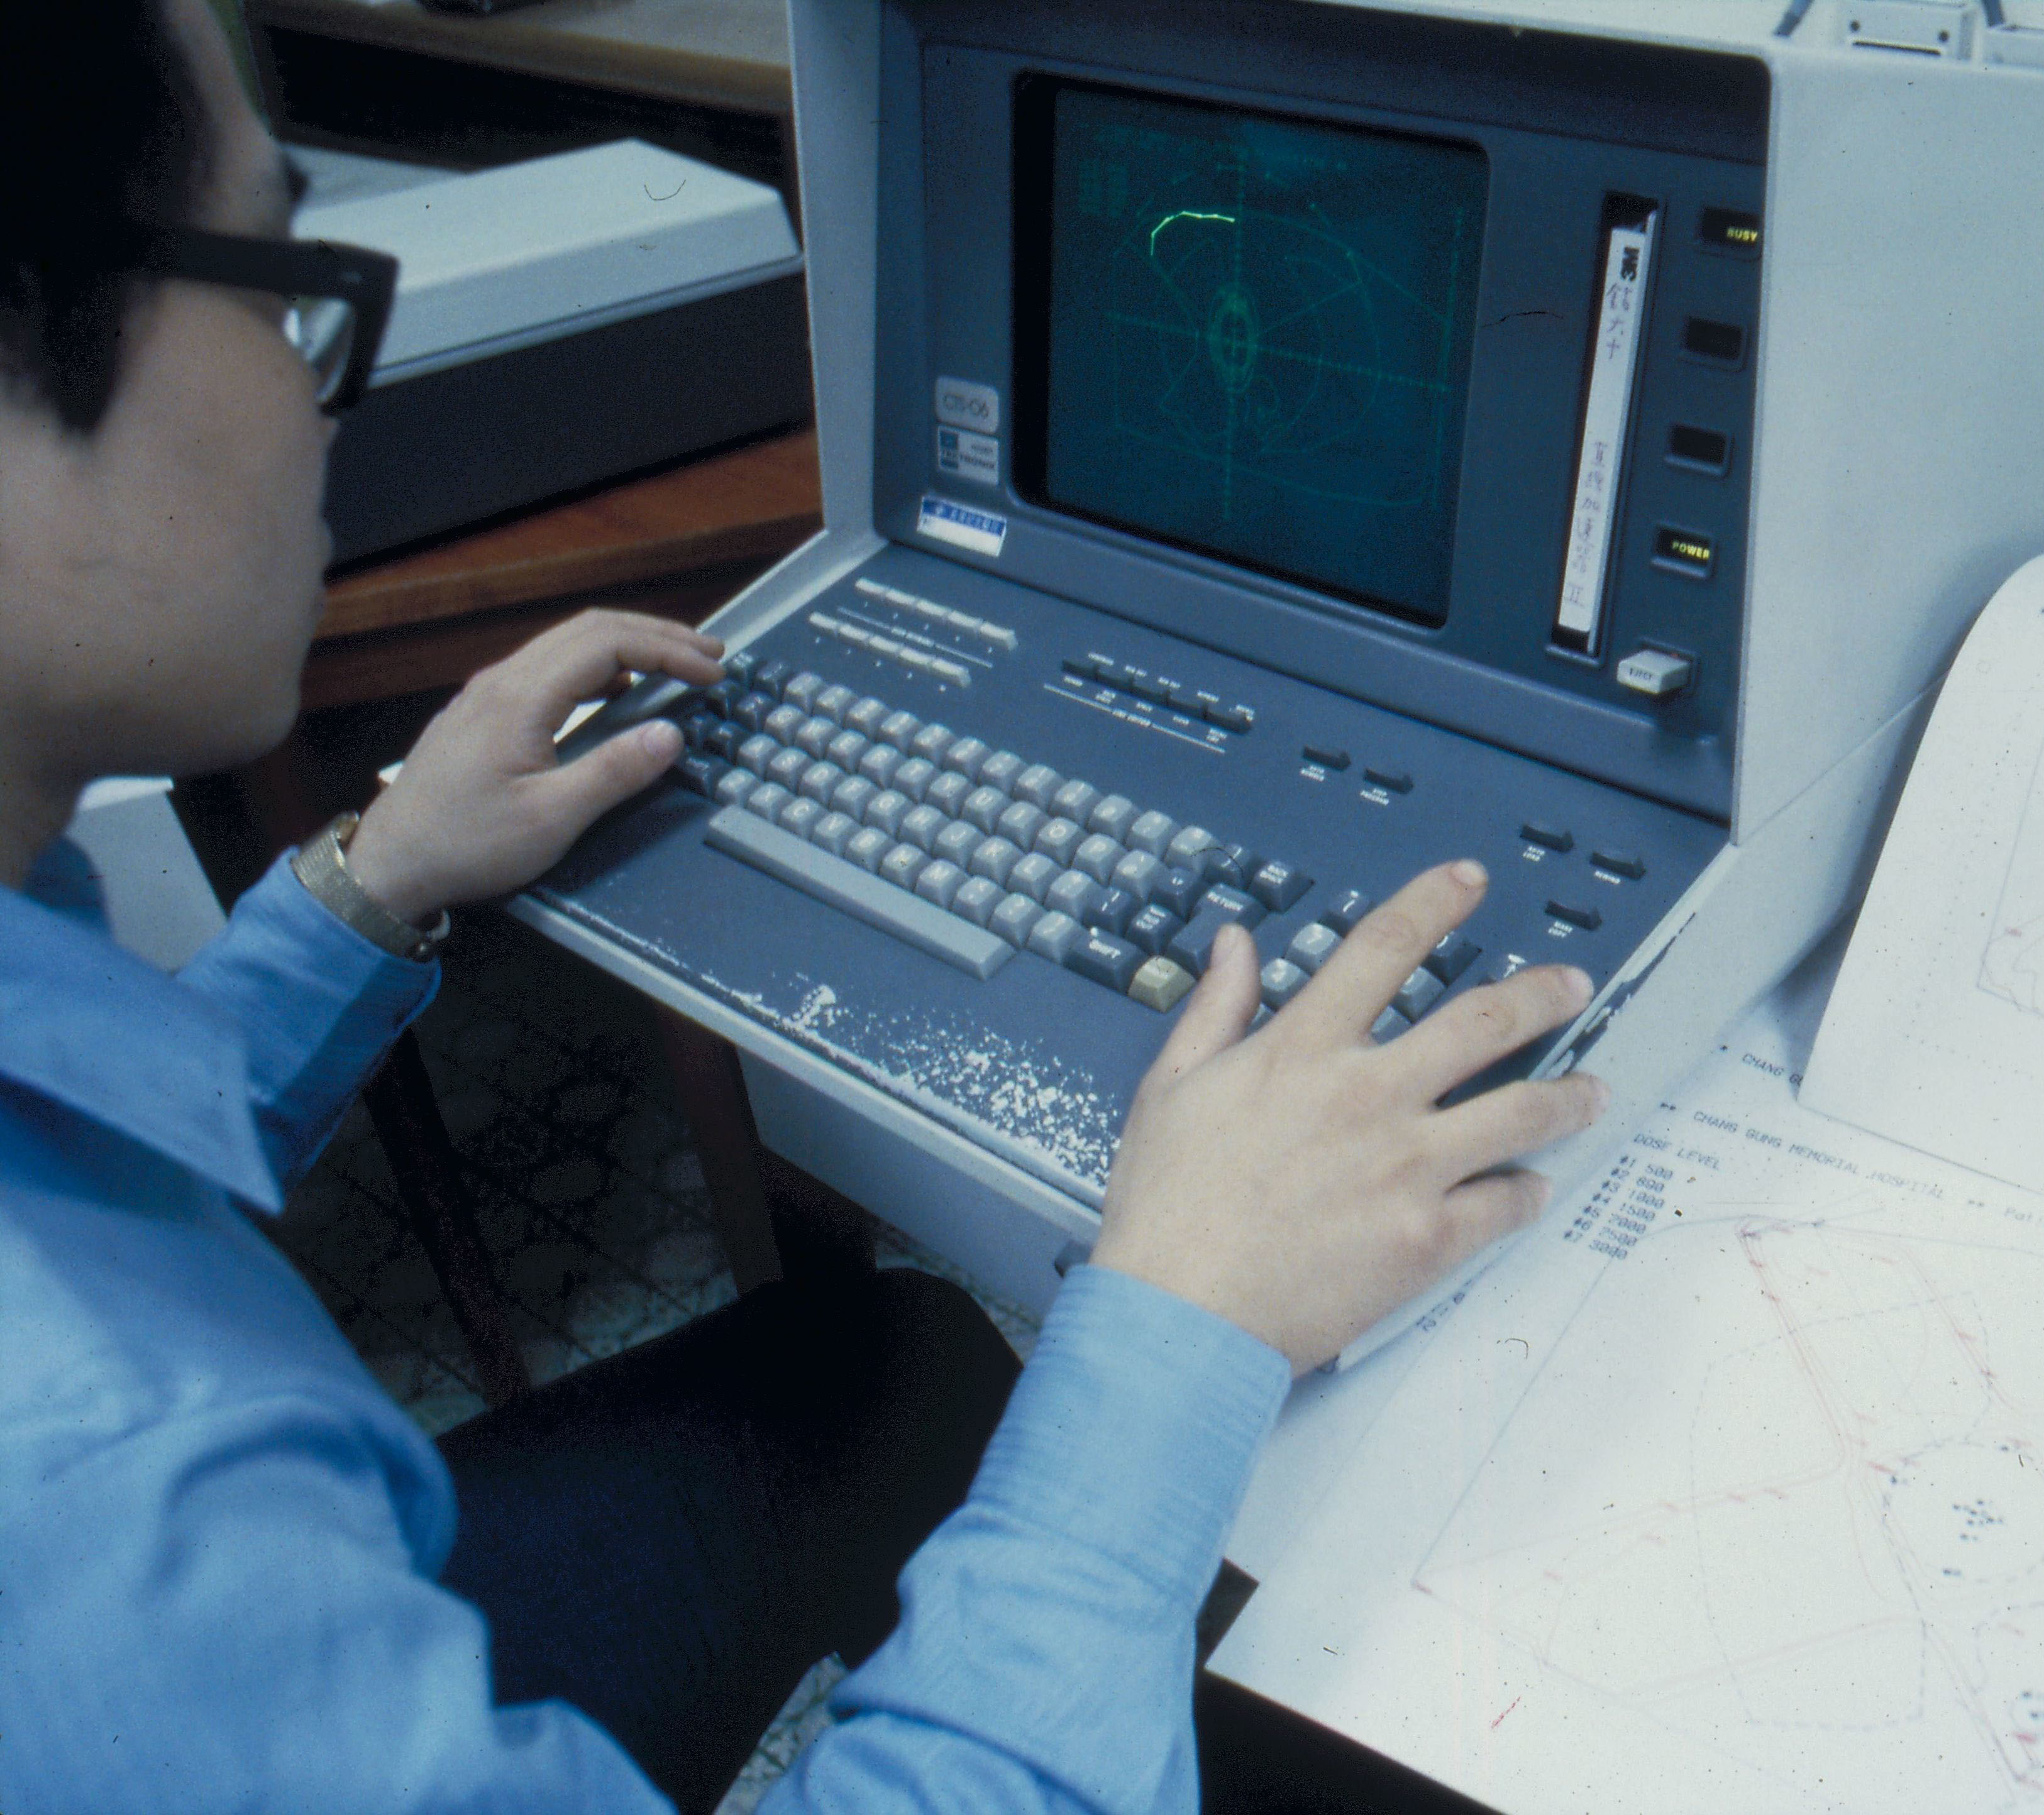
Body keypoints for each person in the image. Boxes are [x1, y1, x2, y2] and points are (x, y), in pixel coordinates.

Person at [0, 3, 1608, 1811]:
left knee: (902, 1362)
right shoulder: (100, 1488)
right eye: (276, 287)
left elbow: (67, 1153)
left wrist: (364, 893)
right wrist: (1185, 1317)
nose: (318, 397)